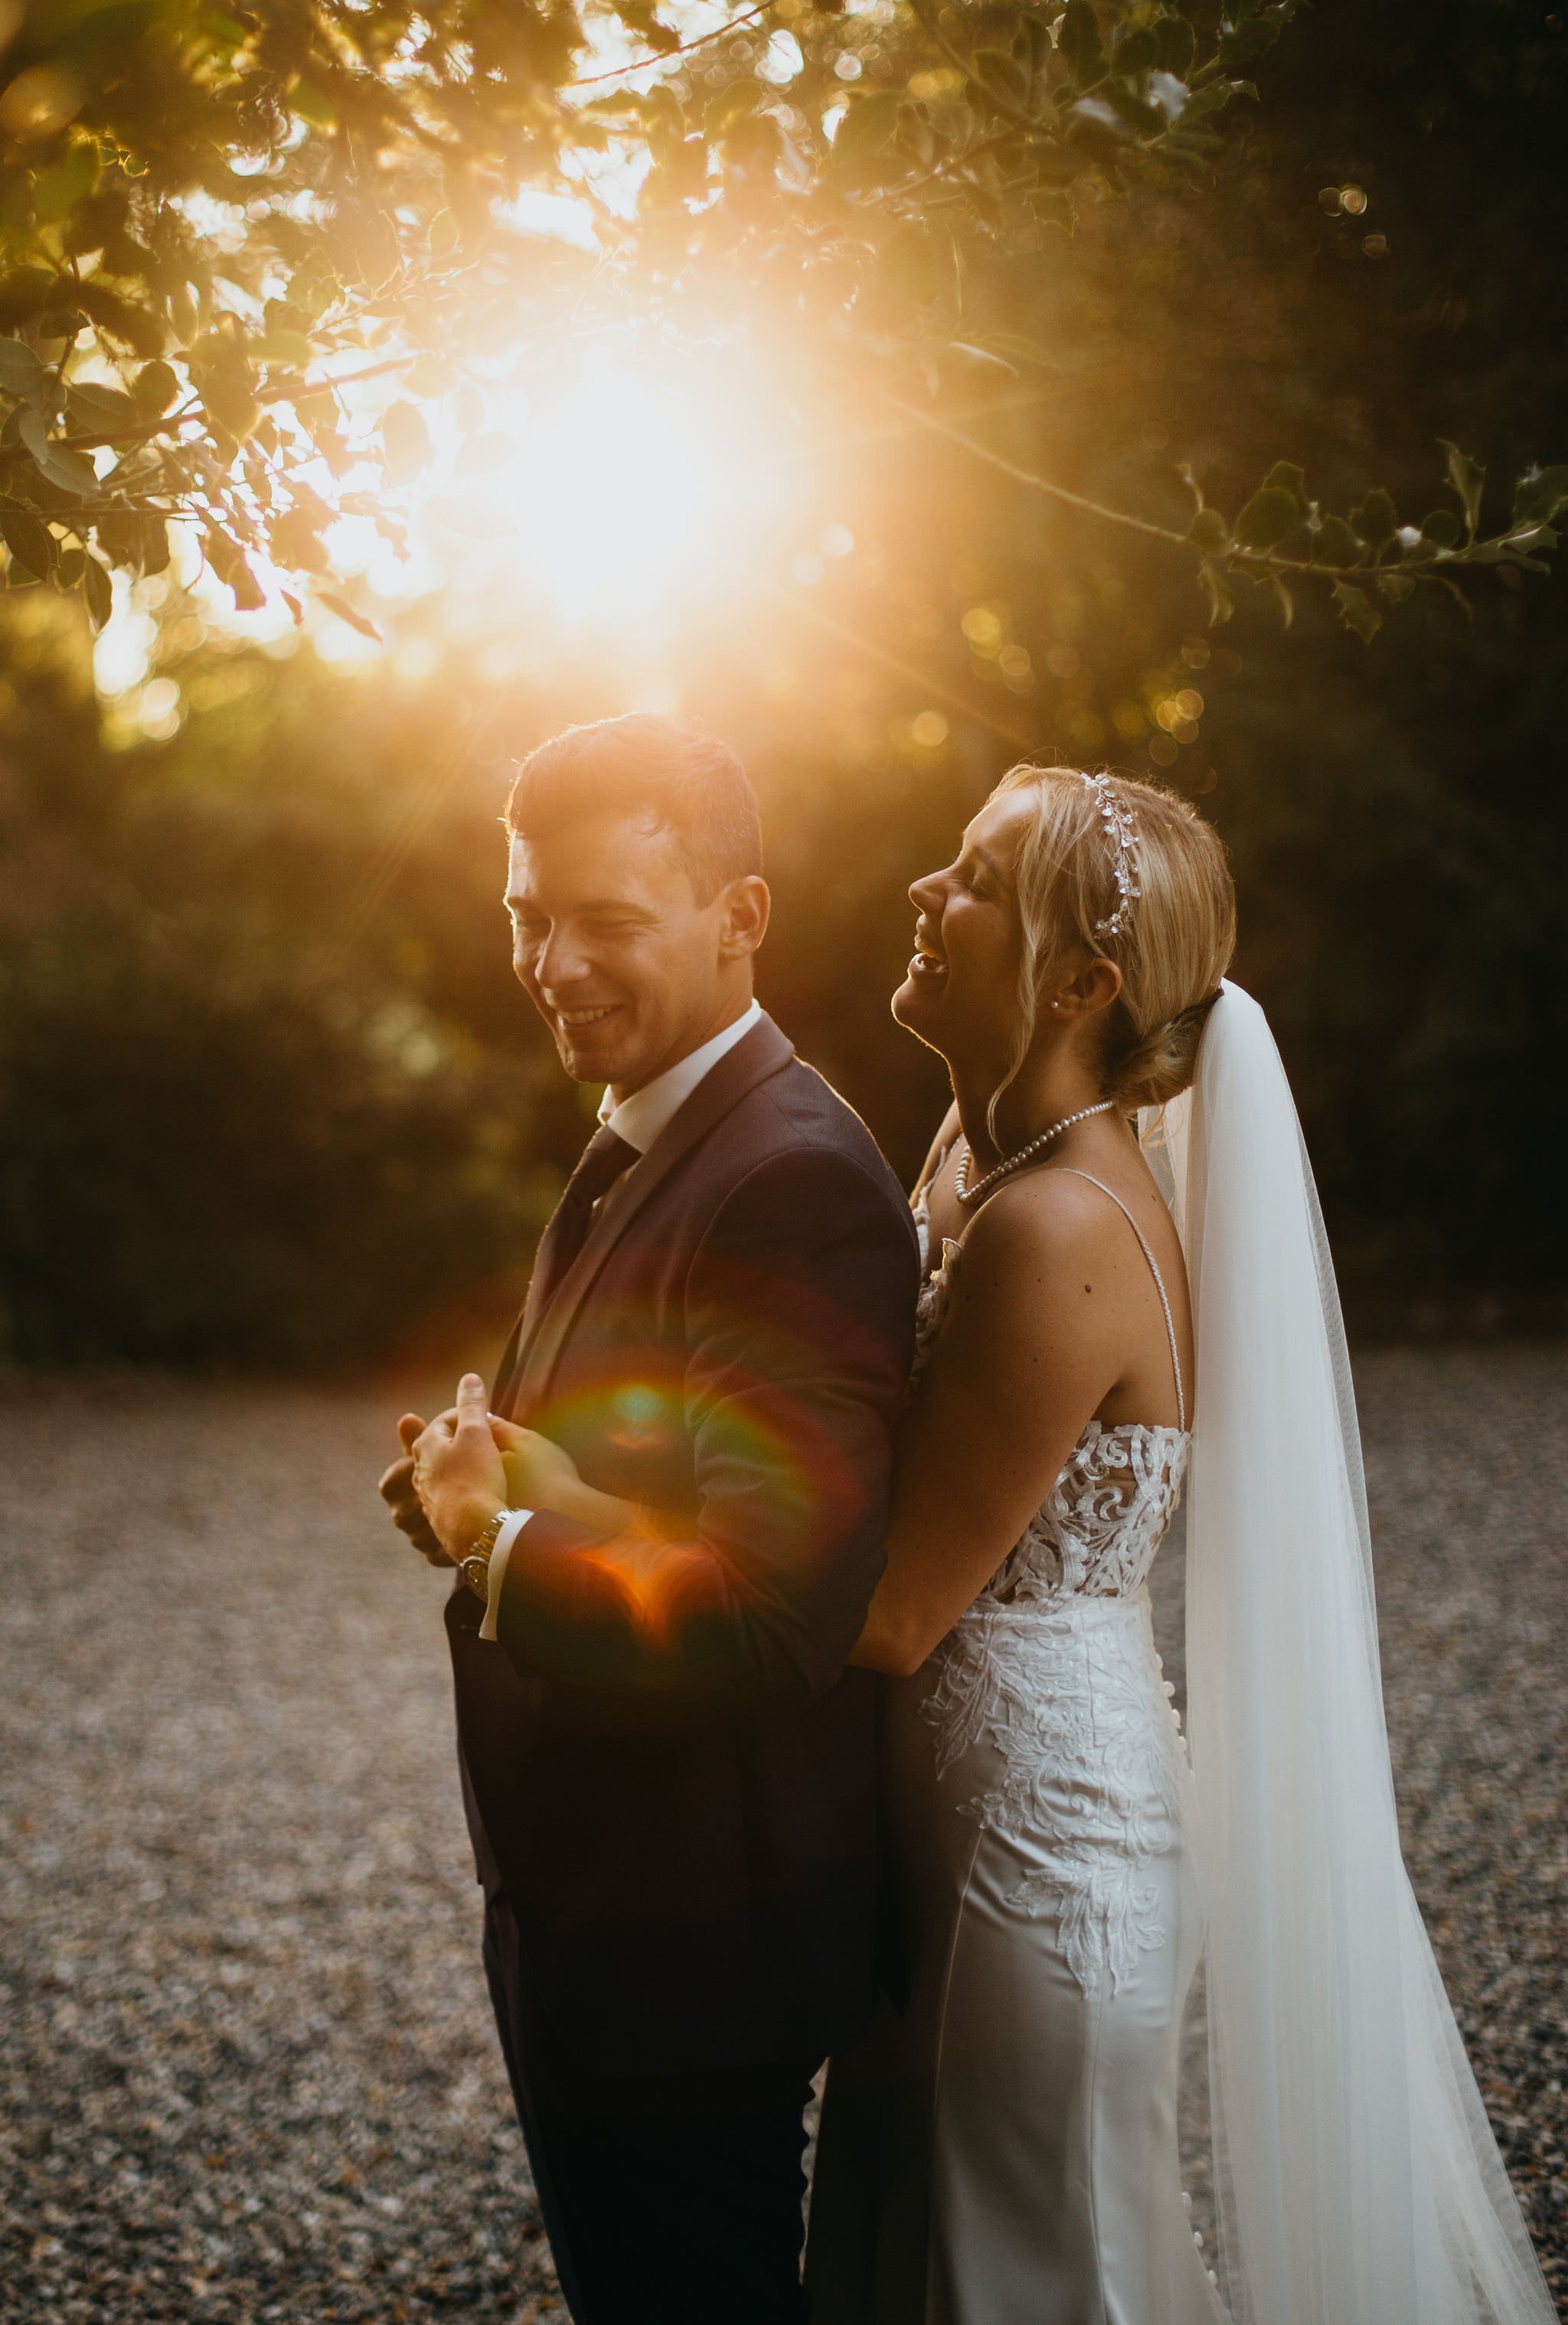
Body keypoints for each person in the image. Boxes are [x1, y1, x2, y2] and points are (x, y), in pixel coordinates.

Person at [800, 765, 1557, 2324]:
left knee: (1029, 2274)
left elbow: (885, 1614)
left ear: (1079, 980)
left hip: (1027, 1856)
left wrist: (595, 1538)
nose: (920, 901)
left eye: (972, 882)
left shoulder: (1057, 1231)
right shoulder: (969, 1151)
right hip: (936, 1829)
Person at [377, 715, 919, 2325]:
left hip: (690, 1949)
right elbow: (658, 1487)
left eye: (604, 921)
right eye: (529, 915)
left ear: (739, 916)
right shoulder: (653, 1130)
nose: (551, 963)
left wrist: (501, 1549)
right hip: (600, 1911)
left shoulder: (790, 1183)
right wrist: (489, 1487)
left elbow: (770, 1613)